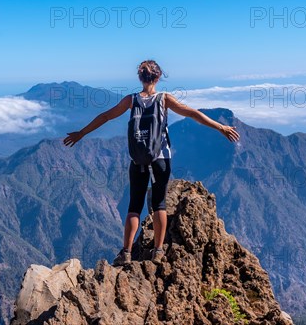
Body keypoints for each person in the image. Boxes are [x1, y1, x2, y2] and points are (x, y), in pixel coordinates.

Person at [63, 60, 240, 265]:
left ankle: (126, 253)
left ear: (140, 78)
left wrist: (81, 133)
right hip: (161, 159)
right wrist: (221, 127)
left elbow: (105, 116)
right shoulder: (164, 99)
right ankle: (158, 251)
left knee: (134, 206)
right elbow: (193, 114)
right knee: (159, 204)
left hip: (137, 159)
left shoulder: (131, 100)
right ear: (158, 78)